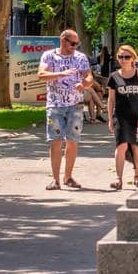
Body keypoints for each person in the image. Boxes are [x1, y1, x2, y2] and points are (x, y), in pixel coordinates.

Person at [37, 29, 92, 190]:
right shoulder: (49, 56)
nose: (75, 47)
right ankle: (56, 179)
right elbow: (41, 74)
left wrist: (85, 84)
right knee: (56, 141)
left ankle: (68, 176)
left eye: (77, 44)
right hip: (55, 105)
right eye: (72, 43)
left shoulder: (80, 58)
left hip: (75, 105)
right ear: (63, 41)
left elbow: (89, 76)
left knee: (72, 141)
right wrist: (61, 73)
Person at [106, 47, 138, 189]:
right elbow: (111, 100)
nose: (123, 60)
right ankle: (118, 179)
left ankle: (137, 176)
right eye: (120, 57)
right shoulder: (114, 77)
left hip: (137, 117)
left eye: (126, 57)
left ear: (133, 58)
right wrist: (111, 119)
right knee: (121, 146)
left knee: (136, 146)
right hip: (120, 117)